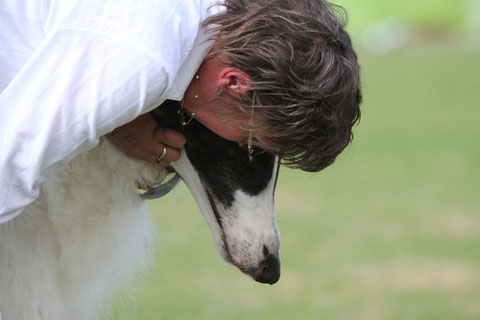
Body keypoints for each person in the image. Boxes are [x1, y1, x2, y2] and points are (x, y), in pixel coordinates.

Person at [0, 0, 361, 223]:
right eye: (250, 142)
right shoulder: (145, 60)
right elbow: (7, 170)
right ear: (232, 82)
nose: (236, 142)